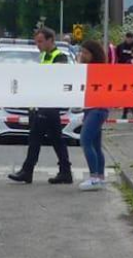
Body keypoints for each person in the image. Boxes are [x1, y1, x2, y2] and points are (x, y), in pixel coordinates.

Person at [8, 27, 73, 184]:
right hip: (44, 103)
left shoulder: (60, 57)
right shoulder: (44, 56)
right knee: (56, 139)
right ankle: (65, 172)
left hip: (50, 104)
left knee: (36, 138)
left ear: (51, 40)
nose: (38, 44)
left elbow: (56, 78)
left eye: (40, 41)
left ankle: (27, 170)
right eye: (37, 41)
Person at [76, 40, 110, 191]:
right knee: (96, 144)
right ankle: (100, 177)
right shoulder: (88, 67)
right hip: (91, 108)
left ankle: (94, 177)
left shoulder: (97, 69)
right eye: (82, 52)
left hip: (97, 108)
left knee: (85, 140)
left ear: (93, 54)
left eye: (86, 53)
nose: (82, 55)